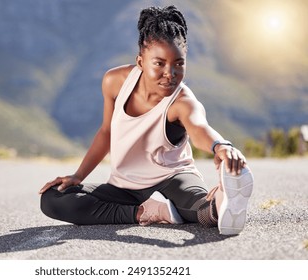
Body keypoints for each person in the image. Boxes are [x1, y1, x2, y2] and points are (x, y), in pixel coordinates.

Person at [39, 5, 254, 235]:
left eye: (179, 64)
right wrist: (78, 176)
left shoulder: (182, 102)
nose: (170, 73)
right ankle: (146, 212)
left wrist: (221, 145)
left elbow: (200, 127)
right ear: (141, 61)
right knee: (53, 198)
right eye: (159, 63)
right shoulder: (115, 81)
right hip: (124, 188)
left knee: (199, 209)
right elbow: (106, 132)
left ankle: (219, 204)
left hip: (173, 180)